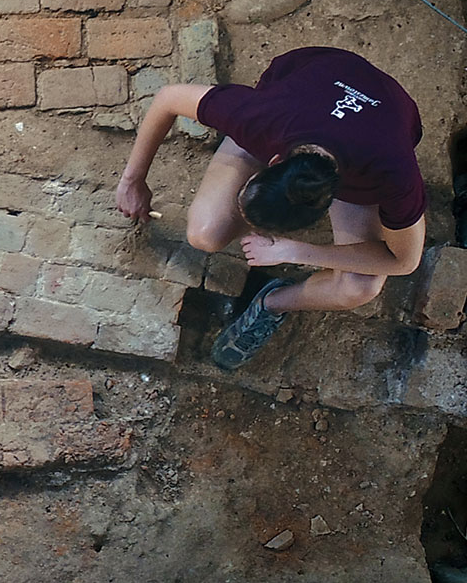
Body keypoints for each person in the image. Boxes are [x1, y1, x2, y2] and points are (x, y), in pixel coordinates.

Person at [116, 46, 427, 369]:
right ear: (273, 160)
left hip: (382, 118)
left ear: (326, 205)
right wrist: (132, 181)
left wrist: (297, 252)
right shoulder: (259, 118)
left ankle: (272, 303)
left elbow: (404, 261)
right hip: (310, 89)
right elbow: (168, 98)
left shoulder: (392, 173)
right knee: (205, 234)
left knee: (360, 286)